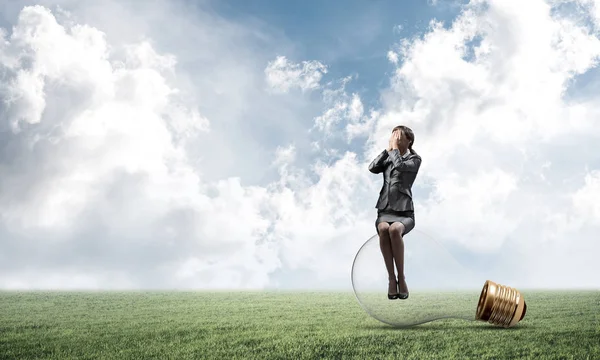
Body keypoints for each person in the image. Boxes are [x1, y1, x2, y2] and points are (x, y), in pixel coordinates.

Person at [368, 125, 422, 300]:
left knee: (394, 230)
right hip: (385, 209)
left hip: (404, 212)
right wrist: (387, 150)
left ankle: (401, 278)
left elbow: (400, 166)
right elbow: (372, 167)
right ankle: (391, 279)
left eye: (399, 137)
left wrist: (395, 150)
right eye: (393, 137)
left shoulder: (415, 159)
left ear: (409, 140)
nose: (395, 140)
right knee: (384, 229)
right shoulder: (389, 156)